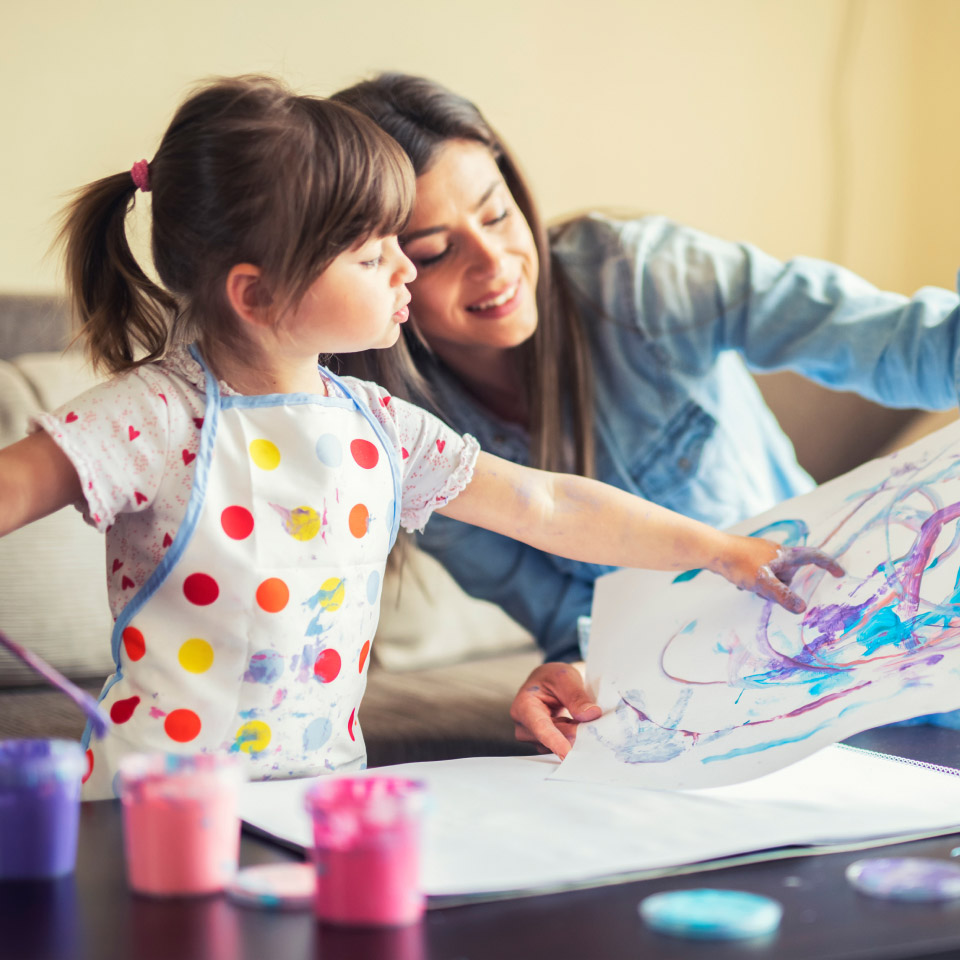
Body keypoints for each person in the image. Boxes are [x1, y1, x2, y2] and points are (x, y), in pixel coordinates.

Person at [0, 76, 838, 800]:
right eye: (373, 256)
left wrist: (720, 548)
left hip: (327, 795)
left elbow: (545, 503)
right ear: (254, 296)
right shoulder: (151, 417)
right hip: (153, 803)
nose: (405, 269)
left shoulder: (380, 424)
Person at [329, 73, 960, 758]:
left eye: (497, 214)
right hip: (690, 698)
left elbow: (902, 343)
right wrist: (583, 674)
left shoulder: (639, 276)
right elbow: (565, 620)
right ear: (375, 268)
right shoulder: (411, 440)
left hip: (854, 619)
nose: (495, 264)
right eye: (435, 251)